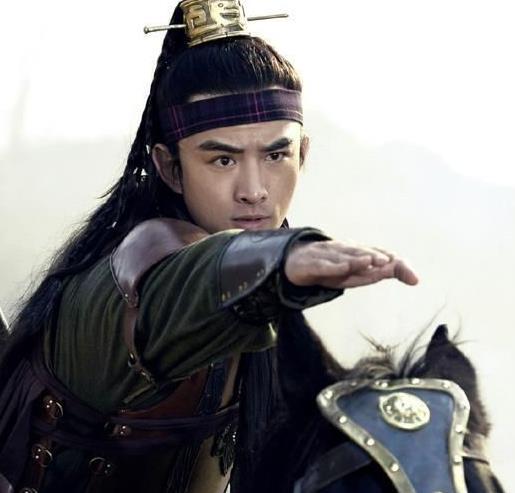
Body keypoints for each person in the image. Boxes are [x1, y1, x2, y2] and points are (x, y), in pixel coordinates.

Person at [0, 1, 418, 492]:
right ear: (169, 167)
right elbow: (188, 285)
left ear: (302, 153)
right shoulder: (132, 276)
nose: (254, 190)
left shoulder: (268, 315)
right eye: (222, 160)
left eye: (276, 155)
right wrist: (279, 261)